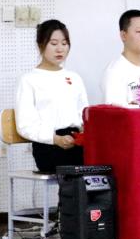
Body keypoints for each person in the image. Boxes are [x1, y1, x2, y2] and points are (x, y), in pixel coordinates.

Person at [15, 19, 89, 173]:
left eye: (64, 43)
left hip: (75, 140)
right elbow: (25, 124)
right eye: (54, 43)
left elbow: (84, 114)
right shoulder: (29, 80)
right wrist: (56, 139)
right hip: (48, 144)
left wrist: (83, 132)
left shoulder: (74, 78)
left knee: (106, 162)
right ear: (40, 45)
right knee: (78, 169)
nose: (60, 49)